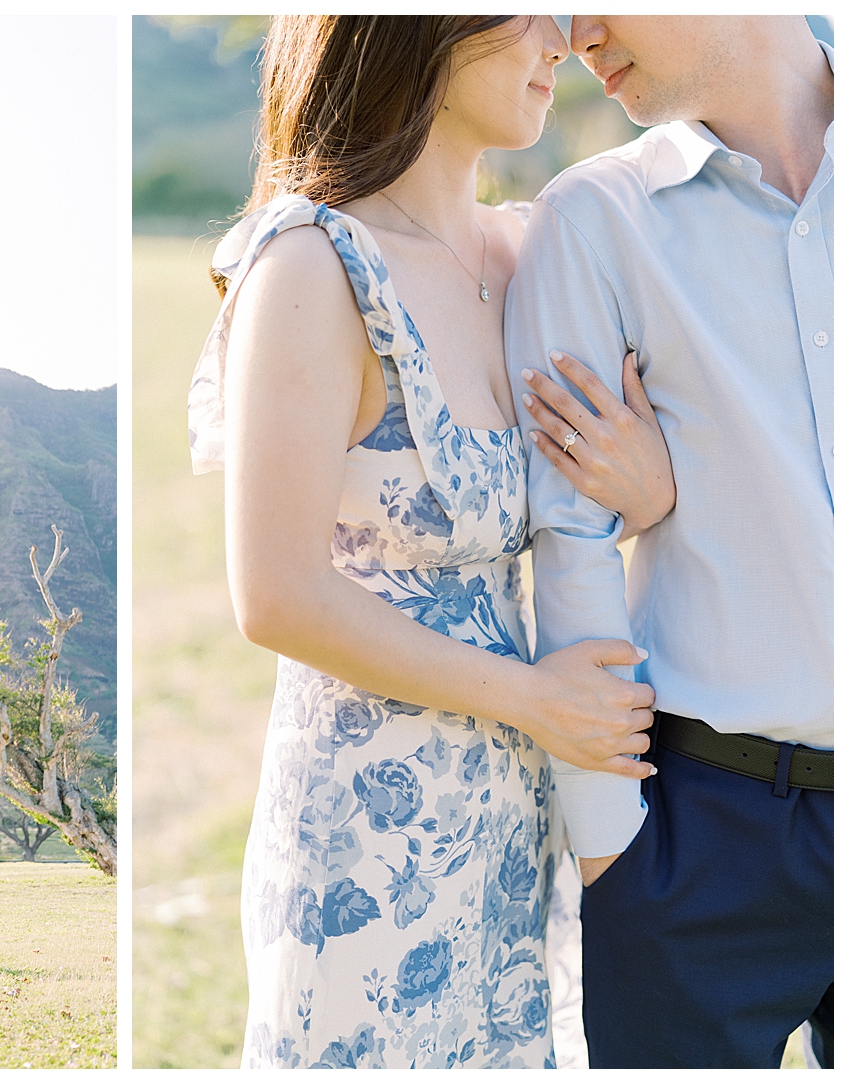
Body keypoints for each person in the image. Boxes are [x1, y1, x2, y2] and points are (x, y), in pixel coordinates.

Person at [187, 15, 676, 1069]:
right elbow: (272, 593)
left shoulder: (528, 251)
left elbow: (586, 502)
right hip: (364, 834)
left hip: (511, 821)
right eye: (524, 10)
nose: (560, 38)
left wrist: (646, 491)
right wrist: (531, 697)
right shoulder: (315, 265)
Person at [505, 15, 833, 1070]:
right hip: (703, 836)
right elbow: (566, 543)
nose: (573, 32)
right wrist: (614, 849)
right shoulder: (596, 218)